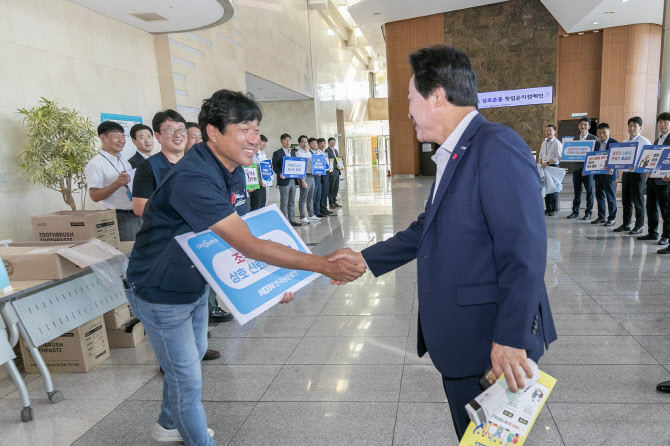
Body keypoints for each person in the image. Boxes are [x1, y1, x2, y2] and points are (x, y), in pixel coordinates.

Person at [328, 45, 556, 441]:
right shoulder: (455, 152)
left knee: (486, 439)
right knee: (473, 437)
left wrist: (511, 338)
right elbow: (428, 227)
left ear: (436, 96)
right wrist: (365, 258)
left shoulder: (496, 146)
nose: (408, 111)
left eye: (410, 99)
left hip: (489, 340)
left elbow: (525, 252)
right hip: (466, 339)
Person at [126, 90, 365, 445]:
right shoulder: (192, 179)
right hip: (160, 290)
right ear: (213, 132)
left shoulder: (234, 169)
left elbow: (236, 235)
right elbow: (248, 245)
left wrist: (275, 281)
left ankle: (167, 422)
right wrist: (321, 265)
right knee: (186, 376)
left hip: (193, 281)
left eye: (256, 129)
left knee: (189, 359)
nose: (254, 139)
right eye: (244, 130)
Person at [131, 110, 226, 361]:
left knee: (199, 296)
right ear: (158, 136)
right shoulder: (149, 167)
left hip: (198, 244)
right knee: (173, 308)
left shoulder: (198, 166)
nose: (178, 135)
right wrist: (185, 209)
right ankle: (176, 359)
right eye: (170, 130)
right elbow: (139, 206)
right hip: (165, 249)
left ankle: (197, 347)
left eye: (181, 130)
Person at [85, 121, 142, 241]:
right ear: (103, 138)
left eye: (123, 136)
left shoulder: (125, 163)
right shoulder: (95, 164)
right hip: (118, 216)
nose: (121, 140)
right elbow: (94, 196)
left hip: (135, 213)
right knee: (128, 251)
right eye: (116, 136)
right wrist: (117, 183)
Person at [614, 117, 650, 234]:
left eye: (635, 126)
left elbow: (648, 160)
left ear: (640, 128)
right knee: (626, 201)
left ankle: (639, 226)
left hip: (638, 174)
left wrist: (636, 166)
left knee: (638, 201)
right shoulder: (625, 142)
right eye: (630, 125)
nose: (632, 128)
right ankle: (626, 224)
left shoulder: (645, 142)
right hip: (626, 174)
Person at [641, 113, 670, 248]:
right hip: (653, 179)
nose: (662, 125)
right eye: (660, 122)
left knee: (666, 210)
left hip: (665, 181)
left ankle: (666, 236)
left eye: (665, 122)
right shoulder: (657, 141)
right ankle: (652, 232)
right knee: (651, 206)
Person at [567, 117, 597, 220]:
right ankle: (575, 212)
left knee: (589, 191)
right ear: (578, 126)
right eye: (581, 124)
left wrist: (588, 168)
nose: (583, 126)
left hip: (588, 169)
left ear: (589, 126)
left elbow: (595, 155)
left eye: (585, 125)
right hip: (576, 168)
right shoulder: (575, 138)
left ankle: (588, 212)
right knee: (577, 191)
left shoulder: (593, 138)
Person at [592, 123, 619, 226]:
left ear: (609, 132)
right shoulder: (597, 144)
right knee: (599, 197)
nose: (602, 135)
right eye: (600, 133)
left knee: (610, 197)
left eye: (604, 132)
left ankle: (612, 218)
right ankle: (601, 217)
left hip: (609, 175)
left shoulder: (615, 143)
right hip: (598, 174)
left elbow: (618, 159)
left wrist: (613, 167)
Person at [272, 133, 302, 226]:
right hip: (284, 180)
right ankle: (284, 221)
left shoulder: (293, 152)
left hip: (293, 180)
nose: (287, 142)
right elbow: (275, 166)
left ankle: (292, 219)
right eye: (285, 140)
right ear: (281, 141)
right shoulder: (277, 153)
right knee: (284, 201)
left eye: (289, 140)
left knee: (292, 201)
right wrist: (280, 173)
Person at [295, 135, 320, 223]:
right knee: (303, 197)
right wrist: (302, 180)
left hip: (311, 176)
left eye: (306, 142)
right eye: (302, 142)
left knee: (310, 196)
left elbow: (312, 165)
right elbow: (299, 168)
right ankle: (302, 216)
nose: (304, 144)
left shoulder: (309, 152)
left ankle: (311, 214)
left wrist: (317, 171)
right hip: (304, 177)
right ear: (299, 143)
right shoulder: (298, 153)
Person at [538, 124, 562, 216]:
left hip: (553, 167)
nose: (548, 132)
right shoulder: (544, 143)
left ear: (554, 132)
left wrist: (547, 163)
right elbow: (540, 154)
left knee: (554, 188)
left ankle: (554, 209)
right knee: (546, 188)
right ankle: (548, 208)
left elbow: (558, 157)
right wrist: (539, 164)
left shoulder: (557, 143)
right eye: (547, 131)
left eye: (550, 131)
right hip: (544, 167)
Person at [248, 135, 270, 212]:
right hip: (253, 183)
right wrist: (258, 180)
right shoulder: (249, 155)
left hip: (262, 183)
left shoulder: (262, 154)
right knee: (256, 205)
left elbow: (265, 168)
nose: (259, 145)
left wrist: (269, 180)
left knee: (262, 204)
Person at [316, 138, 332, 216]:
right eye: (321, 143)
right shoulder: (317, 153)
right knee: (322, 192)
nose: (323, 145)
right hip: (322, 173)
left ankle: (324, 207)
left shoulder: (324, 153)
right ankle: (321, 208)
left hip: (327, 172)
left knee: (325, 191)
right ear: (318, 144)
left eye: (324, 143)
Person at [326, 137, 342, 209]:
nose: (333, 143)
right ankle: (331, 202)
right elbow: (328, 161)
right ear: (328, 142)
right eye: (331, 142)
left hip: (337, 171)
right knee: (331, 188)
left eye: (334, 142)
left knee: (336, 187)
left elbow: (337, 159)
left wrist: (340, 164)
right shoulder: (327, 151)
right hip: (332, 172)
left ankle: (334, 201)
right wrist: (335, 166)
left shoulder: (335, 150)